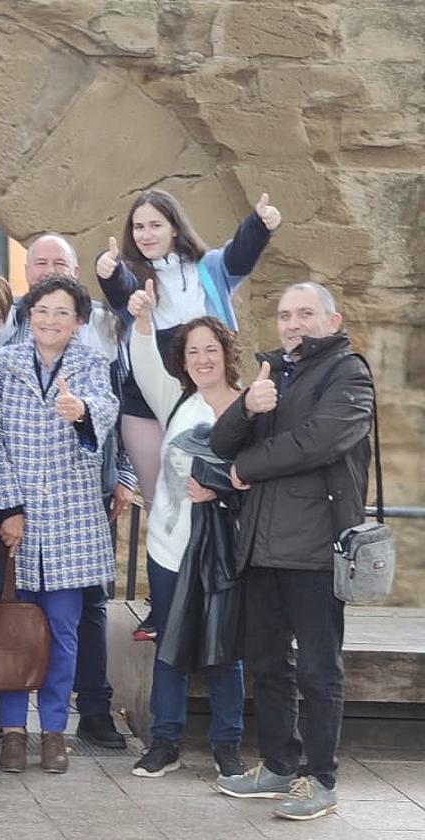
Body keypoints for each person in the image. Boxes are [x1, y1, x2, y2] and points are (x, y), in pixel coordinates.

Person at [210, 282, 373, 821]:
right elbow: (220, 443)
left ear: (333, 318)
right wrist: (245, 409)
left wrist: (246, 468)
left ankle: (319, 777)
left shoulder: (349, 373)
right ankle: (280, 764)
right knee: (267, 663)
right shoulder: (270, 372)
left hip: (316, 548)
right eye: (285, 314)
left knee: (318, 670)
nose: (293, 323)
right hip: (261, 545)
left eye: (305, 313)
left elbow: (321, 439)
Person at [0, 234, 132, 750]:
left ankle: (54, 728)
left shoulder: (93, 364)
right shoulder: (3, 366)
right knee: (15, 627)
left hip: (74, 521)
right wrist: (8, 507)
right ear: (28, 315)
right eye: (42, 311)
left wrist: (81, 416)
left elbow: (107, 414)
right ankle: (14, 726)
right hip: (21, 519)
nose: (51, 320)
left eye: (62, 312)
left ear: (80, 321)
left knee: (63, 630)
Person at [124, 280, 246, 780]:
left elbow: (265, 471)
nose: (202, 359)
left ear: (226, 353)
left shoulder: (249, 406)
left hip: (229, 549)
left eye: (210, 349)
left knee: (225, 649)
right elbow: (143, 358)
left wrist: (223, 488)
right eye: (193, 351)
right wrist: (143, 319)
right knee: (171, 645)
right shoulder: (176, 401)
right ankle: (165, 741)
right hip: (172, 548)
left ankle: (228, 746)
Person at [96, 189, 282, 509]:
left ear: (175, 227)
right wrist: (109, 272)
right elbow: (121, 288)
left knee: (216, 492)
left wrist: (259, 224)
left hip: (209, 398)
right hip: (147, 408)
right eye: (138, 227)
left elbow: (238, 254)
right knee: (165, 504)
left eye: (155, 225)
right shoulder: (137, 280)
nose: (146, 234)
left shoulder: (208, 269)